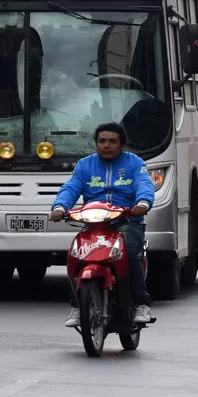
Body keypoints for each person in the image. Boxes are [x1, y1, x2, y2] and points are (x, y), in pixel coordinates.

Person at [50, 122, 156, 326]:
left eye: (112, 142)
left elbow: (144, 185)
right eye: (102, 141)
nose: (106, 145)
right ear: (96, 143)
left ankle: (141, 303)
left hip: (126, 223)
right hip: (93, 225)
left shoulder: (135, 164)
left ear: (122, 145)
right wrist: (60, 208)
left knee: (131, 252)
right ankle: (76, 306)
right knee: (74, 255)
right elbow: (71, 188)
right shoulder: (85, 165)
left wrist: (142, 203)